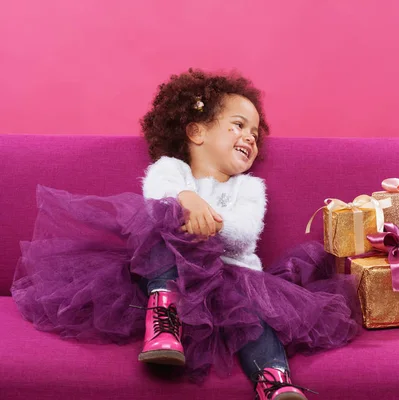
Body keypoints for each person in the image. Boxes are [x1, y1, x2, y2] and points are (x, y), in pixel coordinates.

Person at [12, 69, 360, 400]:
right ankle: (164, 320)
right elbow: (154, 199)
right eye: (238, 125)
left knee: (251, 318)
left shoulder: (250, 187)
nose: (250, 137)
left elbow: (245, 235)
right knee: (161, 223)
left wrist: (214, 223)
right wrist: (185, 199)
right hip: (171, 281)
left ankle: (273, 378)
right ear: (197, 132)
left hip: (232, 280)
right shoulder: (172, 169)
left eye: (255, 133)